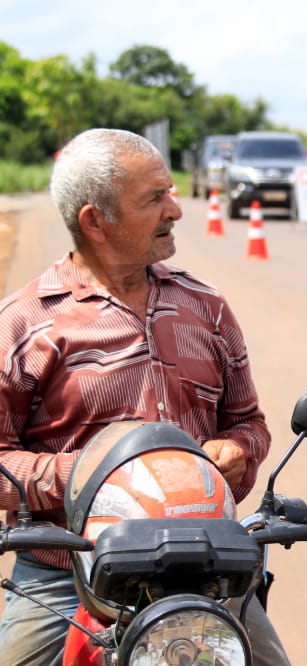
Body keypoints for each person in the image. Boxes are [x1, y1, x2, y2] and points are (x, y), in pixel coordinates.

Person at [0, 128, 290, 665]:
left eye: (171, 191)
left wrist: (239, 450)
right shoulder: (24, 325)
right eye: (154, 198)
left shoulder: (206, 307)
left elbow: (248, 421)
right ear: (95, 221)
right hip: (68, 577)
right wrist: (100, 481)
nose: (175, 209)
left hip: (203, 574)